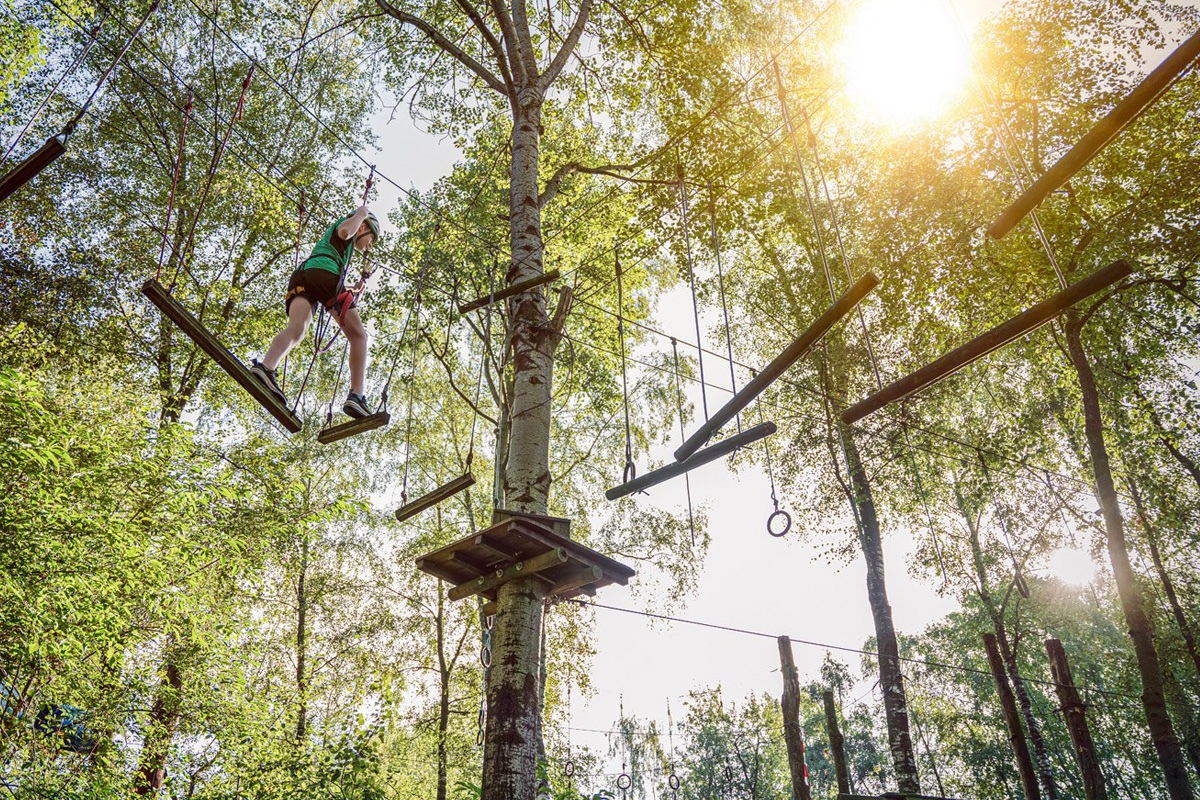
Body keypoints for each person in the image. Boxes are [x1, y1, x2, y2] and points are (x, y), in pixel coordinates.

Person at [251, 205, 379, 418]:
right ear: (364, 227)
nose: (369, 246)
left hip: (306, 275)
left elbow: (323, 274)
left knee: (297, 329)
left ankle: (265, 368)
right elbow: (346, 231)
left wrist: (351, 288)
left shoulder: (336, 247)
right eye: (371, 239)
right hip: (323, 274)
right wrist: (362, 213)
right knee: (359, 336)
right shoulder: (348, 226)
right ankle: (357, 395)